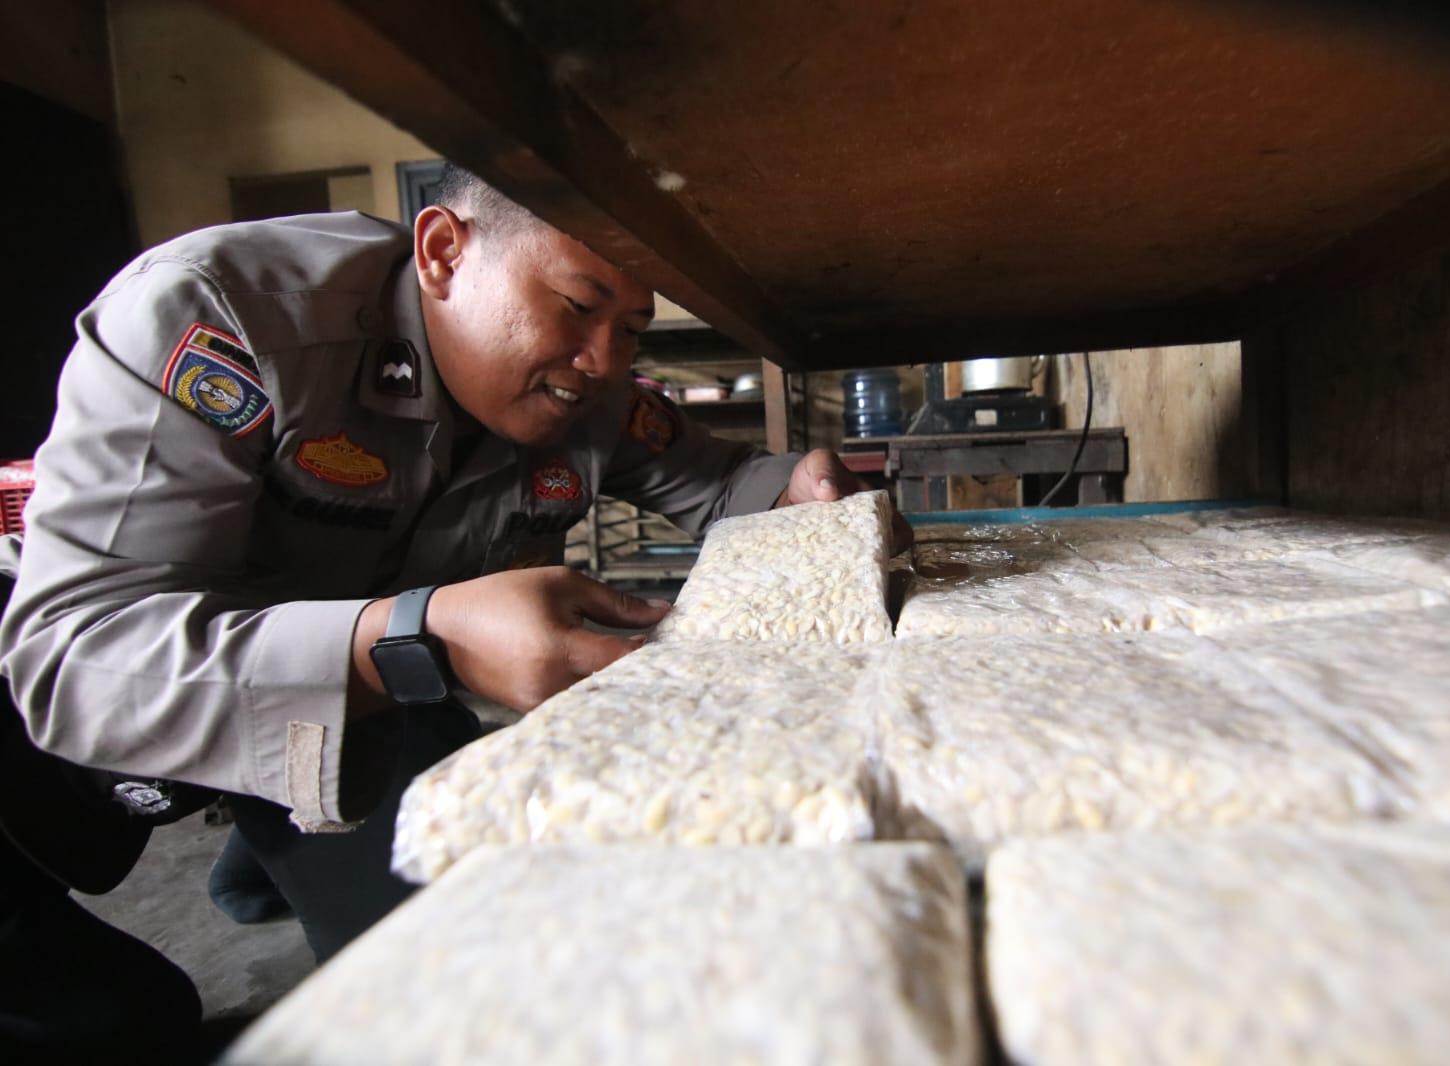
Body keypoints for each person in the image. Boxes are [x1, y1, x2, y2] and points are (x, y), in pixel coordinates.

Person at [0, 165, 905, 1048]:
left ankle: (272, 840)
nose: (602, 362)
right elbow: (74, 659)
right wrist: (421, 639)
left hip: (348, 698)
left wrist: (797, 487)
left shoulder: (588, 388)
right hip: (54, 727)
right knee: (126, 1023)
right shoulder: (220, 319)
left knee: (480, 965)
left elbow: (721, 481)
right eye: (579, 306)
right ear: (441, 254)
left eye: (632, 327)